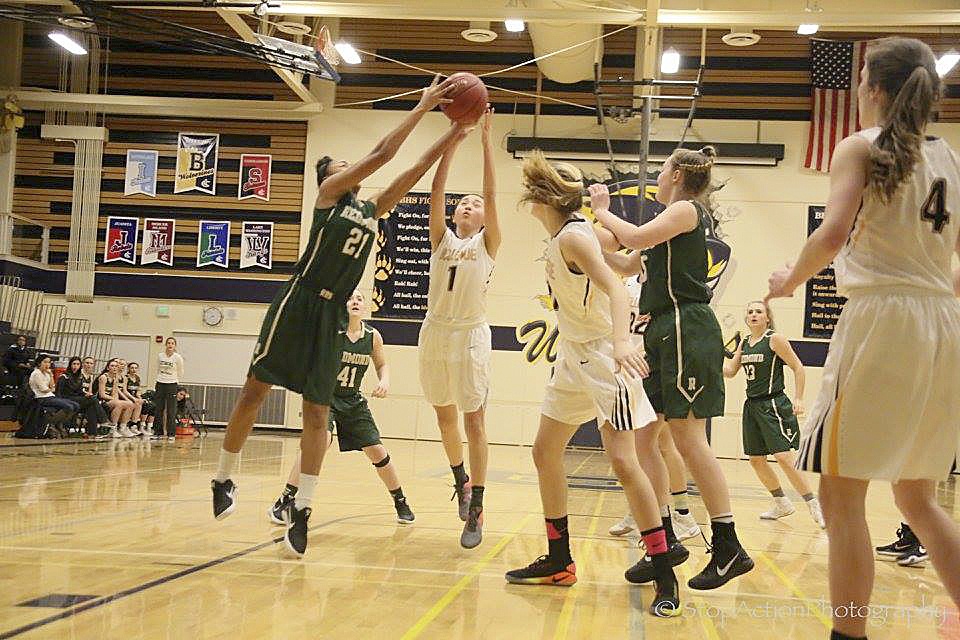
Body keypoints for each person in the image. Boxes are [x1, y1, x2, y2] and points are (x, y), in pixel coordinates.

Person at [211, 75, 468, 559]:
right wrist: (423, 106)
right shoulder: (330, 194)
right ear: (329, 175)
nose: (352, 169)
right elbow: (384, 156)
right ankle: (223, 477)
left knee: (317, 412)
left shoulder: (372, 210)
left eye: (349, 166)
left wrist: (451, 136)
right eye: (342, 164)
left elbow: (410, 169)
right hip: (299, 299)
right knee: (253, 391)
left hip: (331, 312)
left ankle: (302, 510)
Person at [765, 37, 960, 640]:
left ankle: (848, 634)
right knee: (919, 500)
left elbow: (832, 234)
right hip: (944, 322)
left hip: (883, 319)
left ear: (873, 89)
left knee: (840, 497)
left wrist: (788, 280)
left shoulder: (858, 147)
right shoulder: (951, 157)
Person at [503, 152, 680, 618]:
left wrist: (622, 341)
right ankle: (560, 560)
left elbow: (617, 289)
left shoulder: (575, 238)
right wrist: (641, 251)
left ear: (539, 201)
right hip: (573, 357)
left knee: (625, 461)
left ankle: (665, 569)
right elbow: (624, 267)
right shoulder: (576, 233)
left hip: (604, 357)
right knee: (545, 451)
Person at [589, 148, 753, 591]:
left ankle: (727, 543)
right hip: (662, 329)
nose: (659, 178)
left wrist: (604, 212)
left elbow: (636, 238)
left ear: (677, 174)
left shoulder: (684, 210)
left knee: (688, 438)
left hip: (686, 326)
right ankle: (663, 541)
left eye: (662, 171)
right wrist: (590, 250)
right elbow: (629, 262)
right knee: (646, 439)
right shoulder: (669, 228)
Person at [268, 291, 414, 532]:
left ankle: (401, 502)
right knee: (320, 441)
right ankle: (285, 499)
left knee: (377, 451)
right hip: (325, 397)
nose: (355, 301)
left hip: (352, 400)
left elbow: (382, 364)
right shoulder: (331, 332)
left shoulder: (372, 336)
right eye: (350, 298)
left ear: (366, 307)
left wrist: (385, 381)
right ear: (342, 306)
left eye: (359, 298)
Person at [420, 107, 499, 548]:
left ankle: (479, 510)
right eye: (463, 203)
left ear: (485, 218)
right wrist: (451, 142)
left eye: (477, 204)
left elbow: (491, 189)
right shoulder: (441, 240)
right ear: (454, 214)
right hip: (435, 330)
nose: (470, 204)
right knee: (442, 414)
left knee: (475, 421)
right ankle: (461, 482)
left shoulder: (488, 243)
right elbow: (436, 189)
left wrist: (487, 143)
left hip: (470, 333)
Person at [608, 274, 701, 542]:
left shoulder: (664, 287)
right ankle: (640, 509)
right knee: (642, 446)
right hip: (629, 369)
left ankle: (682, 514)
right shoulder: (623, 283)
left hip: (650, 367)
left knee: (660, 444)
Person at [723, 301, 825, 527]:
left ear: (767, 317)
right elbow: (729, 372)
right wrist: (712, 354)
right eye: (750, 311)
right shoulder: (745, 343)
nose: (753, 314)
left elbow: (798, 367)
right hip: (752, 406)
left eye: (758, 311)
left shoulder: (774, 339)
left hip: (773, 404)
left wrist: (798, 398)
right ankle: (781, 502)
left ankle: (813, 503)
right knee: (756, 460)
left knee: (783, 457)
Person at [56, 356, 111, 438]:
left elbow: (79, 391)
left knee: (91, 406)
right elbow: (58, 392)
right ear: (70, 365)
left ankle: (92, 433)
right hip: (66, 399)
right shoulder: (64, 376)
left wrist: (86, 394)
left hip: (77, 400)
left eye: (78, 364)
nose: (75, 366)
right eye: (74, 364)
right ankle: (103, 421)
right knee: (93, 400)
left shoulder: (78, 377)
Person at [155, 337, 184, 442]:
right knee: (159, 409)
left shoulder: (177, 357)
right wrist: (161, 377)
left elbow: (180, 371)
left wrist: (175, 380)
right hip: (160, 383)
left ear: (175, 345)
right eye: (168, 343)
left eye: (172, 343)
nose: (170, 345)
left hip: (172, 384)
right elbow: (158, 368)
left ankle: (171, 433)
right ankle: (158, 432)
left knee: (171, 410)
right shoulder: (160, 356)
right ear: (166, 344)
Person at [98, 358, 135, 438]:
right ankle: (113, 429)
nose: (114, 368)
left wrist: (115, 399)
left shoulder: (115, 378)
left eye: (116, 366)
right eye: (112, 366)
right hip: (101, 401)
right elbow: (102, 395)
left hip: (110, 400)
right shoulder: (104, 377)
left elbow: (115, 393)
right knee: (119, 404)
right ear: (108, 368)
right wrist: (114, 400)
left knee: (131, 404)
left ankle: (123, 427)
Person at [125, 362, 152, 437]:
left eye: (135, 368)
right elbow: (125, 391)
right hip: (127, 397)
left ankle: (141, 427)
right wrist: (134, 399)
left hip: (135, 397)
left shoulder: (137, 378)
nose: (134, 370)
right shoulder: (126, 378)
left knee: (147, 404)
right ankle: (130, 426)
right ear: (128, 369)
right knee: (137, 404)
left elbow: (138, 392)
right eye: (132, 368)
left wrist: (141, 399)